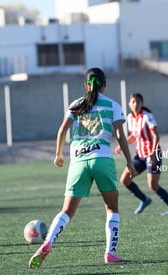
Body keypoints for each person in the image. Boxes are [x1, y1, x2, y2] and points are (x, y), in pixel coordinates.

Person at [28, 67, 136, 269]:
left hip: (78, 161)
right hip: (102, 159)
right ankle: (110, 254)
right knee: (111, 208)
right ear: (104, 85)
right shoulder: (112, 105)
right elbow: (120, 135)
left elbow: (62, 130)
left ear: (86, 85)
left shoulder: (76, 104)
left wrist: (58, 154)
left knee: (67, 210)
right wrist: (129, 162)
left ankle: (48, 242)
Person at [115, 93, 168, 216]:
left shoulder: (147, 116)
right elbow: (134, 135)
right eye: (133, 102)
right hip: (140, 156)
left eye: (138, 102)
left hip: (153, 155)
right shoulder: (129, 117)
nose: (135, 104)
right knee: (125, 180)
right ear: (129, 104)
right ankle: (145, 200)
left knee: (153, 185)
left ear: (142, 104)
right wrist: (122, 145)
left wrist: (153, 153)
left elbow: (156, 135)